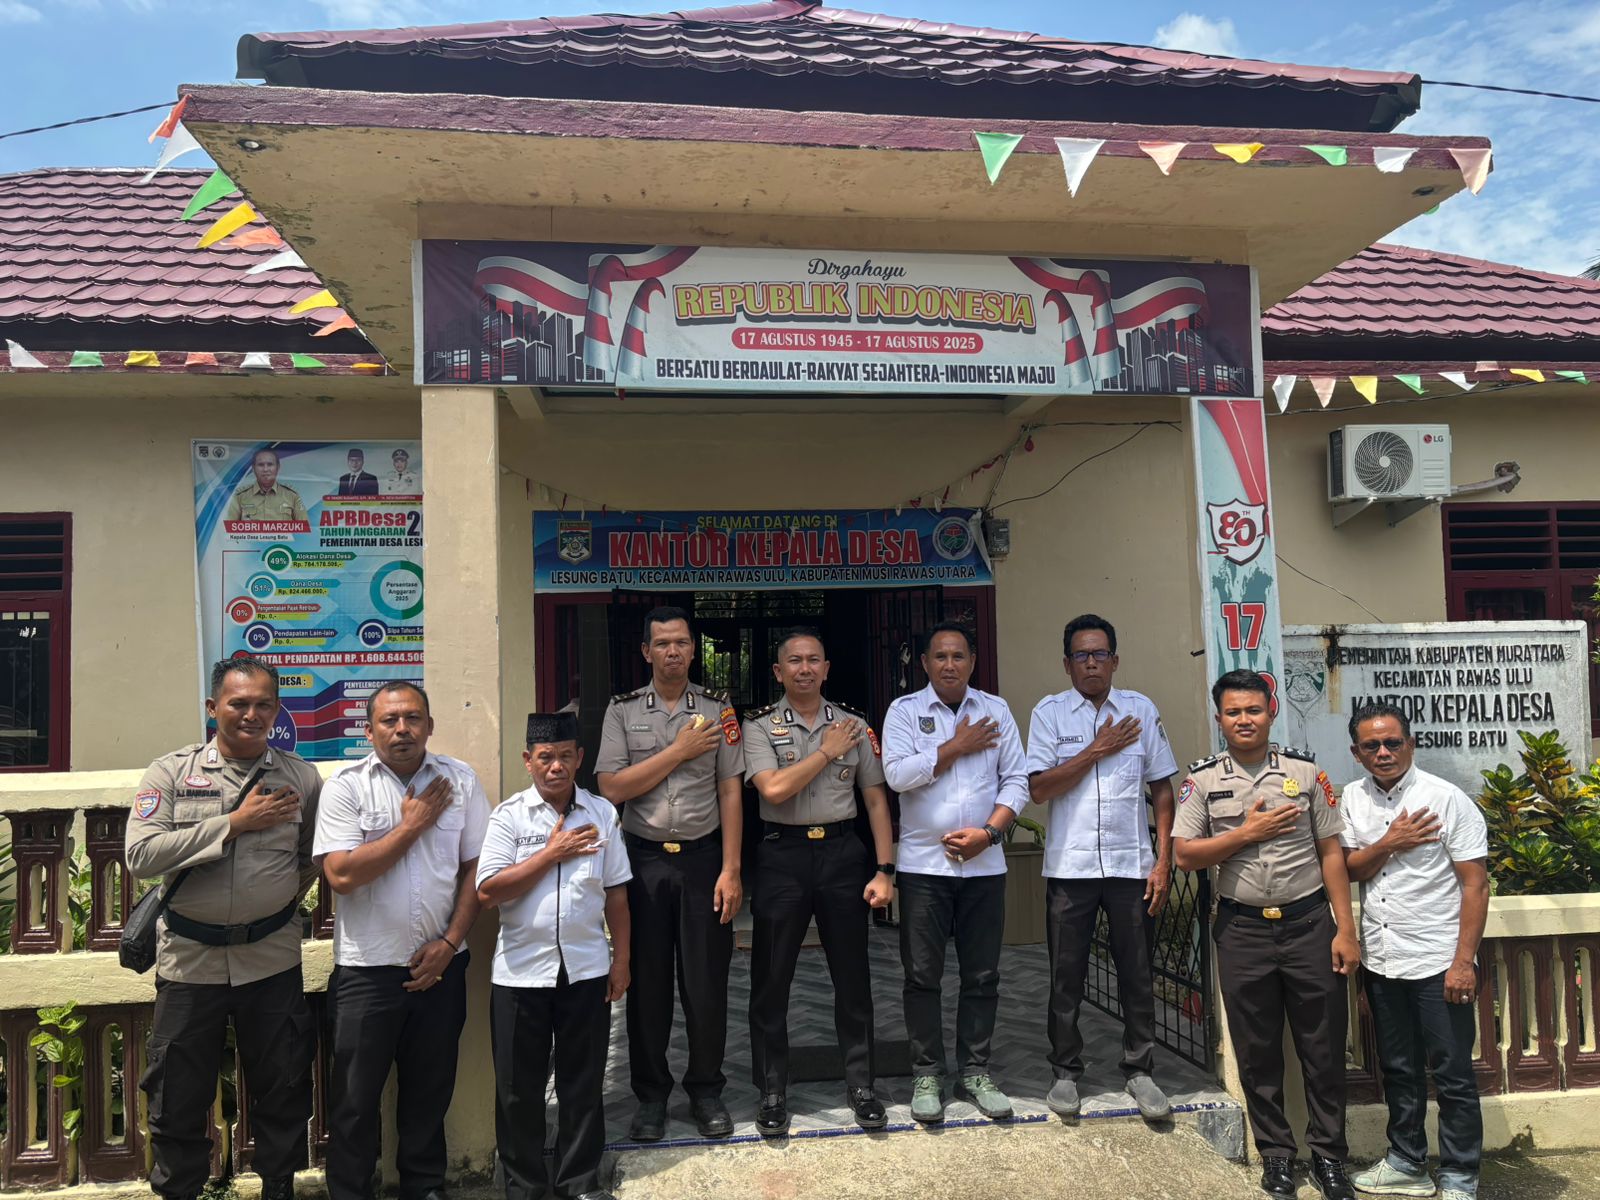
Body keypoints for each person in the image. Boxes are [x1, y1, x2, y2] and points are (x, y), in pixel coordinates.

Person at [125, 656, 323, 1200]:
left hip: (271, 957)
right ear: (213, 708)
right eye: (238, 704)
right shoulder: (170, 773)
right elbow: (141, 855)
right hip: (190, 960)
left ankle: (278, 1187)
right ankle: (179, 1191)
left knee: (283, 1085)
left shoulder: (302, 778)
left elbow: (310, 859)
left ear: (277, 710)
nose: (251, 714)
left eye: (263, 704)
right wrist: (234, 824)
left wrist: (271, 901)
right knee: (177, 1092)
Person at [1173, 669, 1360, 1200]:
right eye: (1233, 712)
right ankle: (1276, 1156)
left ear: (1270, 713)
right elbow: (1184, 855)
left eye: (1253, 710)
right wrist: (1246, 833)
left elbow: (1330, 852)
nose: (1244, 720)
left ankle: (1329, 1159)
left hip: (1309, 926)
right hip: (1243, 931)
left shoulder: (1305, 773)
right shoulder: (1202, 780)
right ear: (1219, 719)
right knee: (1257, 1052)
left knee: (1323, 1049)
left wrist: (1345, 929)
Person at [313, 681, 489, 1200]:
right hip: (366, 972)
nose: (402, 729)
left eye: (412, 718)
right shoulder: (346, 787)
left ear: (429, 726)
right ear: (369, 731)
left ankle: (424, 1188)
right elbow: (342, 875)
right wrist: (410, 827)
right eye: (389, 720)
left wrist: (450, 943)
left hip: (441, 967)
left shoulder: (460, 780)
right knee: (354, 1102)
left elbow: (477, 868)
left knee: (429, 1093)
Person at [594, 605, 744, 1141]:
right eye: (662, 643)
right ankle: (651, 1096)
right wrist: (678, 751)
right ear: (646, 651)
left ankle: (706, 1090)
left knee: (706, 984)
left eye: (681, 642)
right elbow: (612, 787)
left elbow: (730, 790)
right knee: (648, 986)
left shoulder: (719, 709)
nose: (673, 651)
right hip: (644, 863)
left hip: (704, 862)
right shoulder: (622, 711)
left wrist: (731, 869)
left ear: (693, 648)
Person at [743, 628, 896, 1136]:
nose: (805, 668)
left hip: (842, 855)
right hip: (782, 857)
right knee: (771, 979)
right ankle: (772, 1090)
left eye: (814, 660)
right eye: (794, 660)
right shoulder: (758, 727)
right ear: (778, 671)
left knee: (852, 977)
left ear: (827, 668)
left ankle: (862, 1085)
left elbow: (874, 799)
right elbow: (774, 789)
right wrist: (827, 752)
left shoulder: (855, 725)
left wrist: (885, 869)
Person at [1025, 613, 1178, 1121]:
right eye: (1081, 655)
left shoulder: (1140, 710)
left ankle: (1140, 1069)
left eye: (1099, 654)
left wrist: (1163, 861)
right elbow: (1039, 788)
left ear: (1115, 660)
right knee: (1065, 976)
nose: (1091, 663)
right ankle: (1066, 1071)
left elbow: (1162, 788)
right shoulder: (1049, 714)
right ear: (1066, 664)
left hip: (1131, 866)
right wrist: (1096, 750)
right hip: (1070, 869)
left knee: (1137, 972)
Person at [478, 712, 631, 1200]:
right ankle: (523, 1186)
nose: (556, 767)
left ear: (580, 758)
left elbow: (616, 893)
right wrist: (550, 854)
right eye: (546, 757)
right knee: (517, 1089)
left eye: (566, 756)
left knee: (582, 1082)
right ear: (528, 760)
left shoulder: (601, 814)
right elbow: (488, 891)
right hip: (520, 973)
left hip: (586, 969)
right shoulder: (509, 817)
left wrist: (621, 960)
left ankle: (579, 1182)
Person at [881, 621, 1028, 1125]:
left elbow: (1016, 780)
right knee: (922, 976)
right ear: (925, 663)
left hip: (984, 866)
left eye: (958, 656)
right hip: (924, 867)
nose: (949, 665)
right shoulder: (905, 711)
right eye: (940, 657)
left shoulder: (996, 710)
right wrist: (956, 746)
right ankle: (927, 1074)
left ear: (972, 662)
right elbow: (896, 775)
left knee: (982, 975)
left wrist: (990, 832)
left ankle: (975, 1071)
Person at [1341, 703, 1489, 1200]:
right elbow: (1350, 869)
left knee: (1452, 1073)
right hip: (1383, 960)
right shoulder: (1352, 799)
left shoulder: (1446, 799)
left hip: (1437, 960)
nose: (1383, 752)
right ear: (1357, 753)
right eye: (1372, 746)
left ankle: (1460, 1174)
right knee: (1399, 1069)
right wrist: (1390, 841)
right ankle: (1407, 1162)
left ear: (1411, 743)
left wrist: (1463, 962)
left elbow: (1476, 885)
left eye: (1392, 742)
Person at [225, 447, 308, 521]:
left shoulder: (292, 496)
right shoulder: (240, 497)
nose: (265, 469)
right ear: (253, 468)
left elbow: (304, 529)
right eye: (261, 465)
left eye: (270, 464)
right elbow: (228, 529)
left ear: (278, 467)